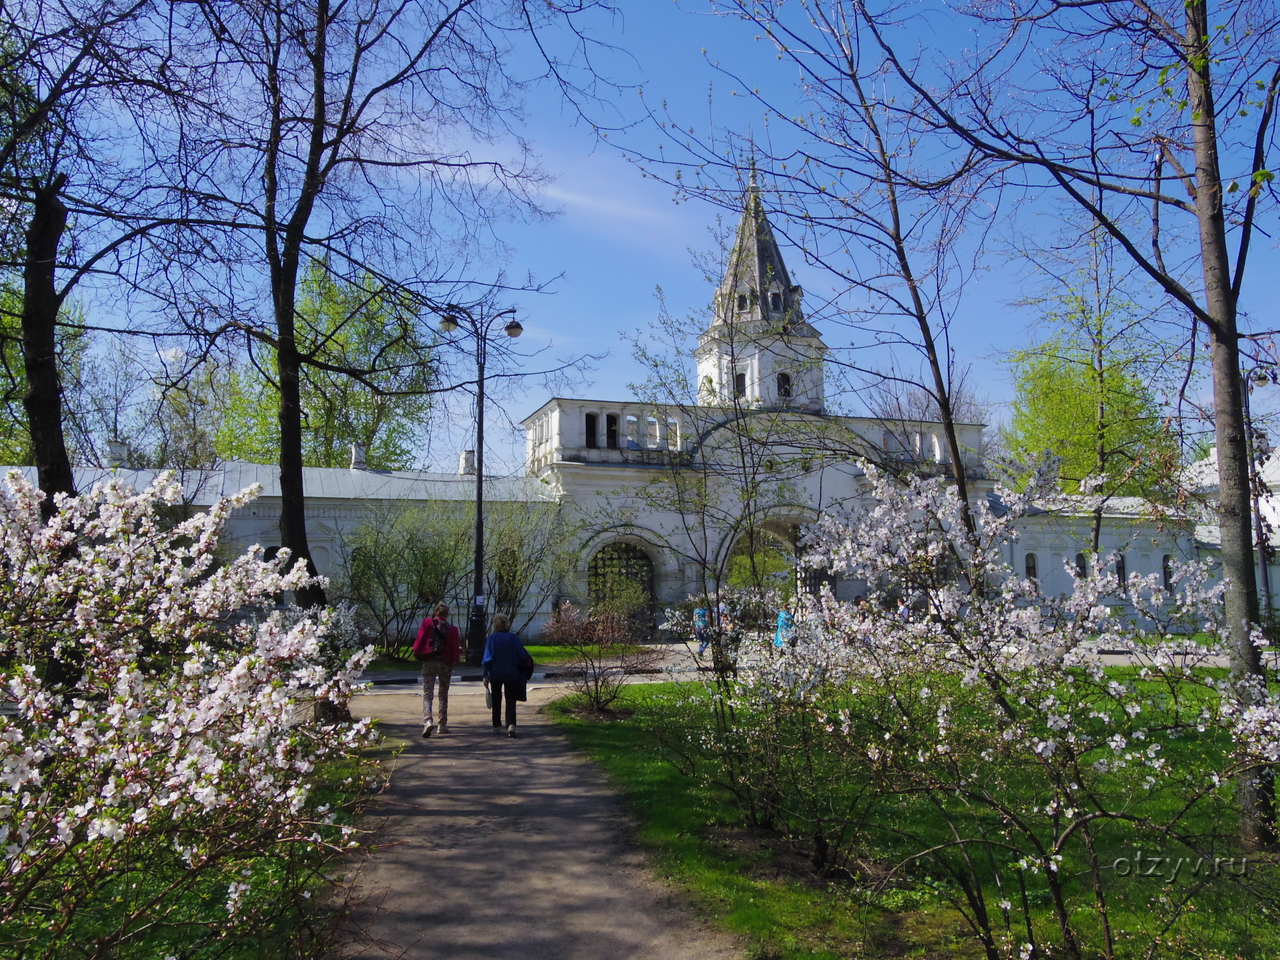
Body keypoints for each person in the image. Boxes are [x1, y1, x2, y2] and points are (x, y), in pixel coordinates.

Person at [482, 613, 533, 738]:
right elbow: (523, 655)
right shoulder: (514, 638)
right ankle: (511, 725)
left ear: (496, 625)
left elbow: (487, 658)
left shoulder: (492, 639)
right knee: (510, 699)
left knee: (496, 698)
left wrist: (485, 675)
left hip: (495, 673)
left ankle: (496, 726)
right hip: (512, 673)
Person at [414, 603, 461, 738]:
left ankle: (428, 721)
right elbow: (454, 649)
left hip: (429, 661)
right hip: (445, 664)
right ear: (447, 614)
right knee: (443, 694)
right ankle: (442, 725)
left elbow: (420, 639)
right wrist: (453, 662)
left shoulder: (428, 623)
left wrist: (418, 651)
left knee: (428, 693)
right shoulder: (452, 629)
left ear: (436, 613)